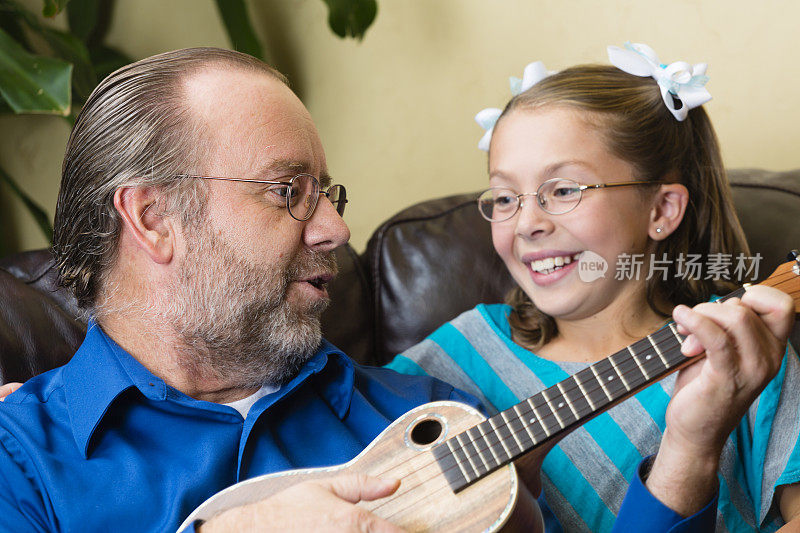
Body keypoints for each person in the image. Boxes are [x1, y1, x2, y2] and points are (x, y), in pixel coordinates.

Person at [0, 46, 784, 532]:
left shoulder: (431, 421)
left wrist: (688, 447)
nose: (336, 230)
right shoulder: (21, 456)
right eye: (286, 190)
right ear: (153, 217)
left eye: (328, 194)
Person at [386, 43, 799, 532]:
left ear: (662, 210)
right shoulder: (448, 361)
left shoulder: (737, 346)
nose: (526, 223)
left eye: (563, 190)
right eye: (503, 197)